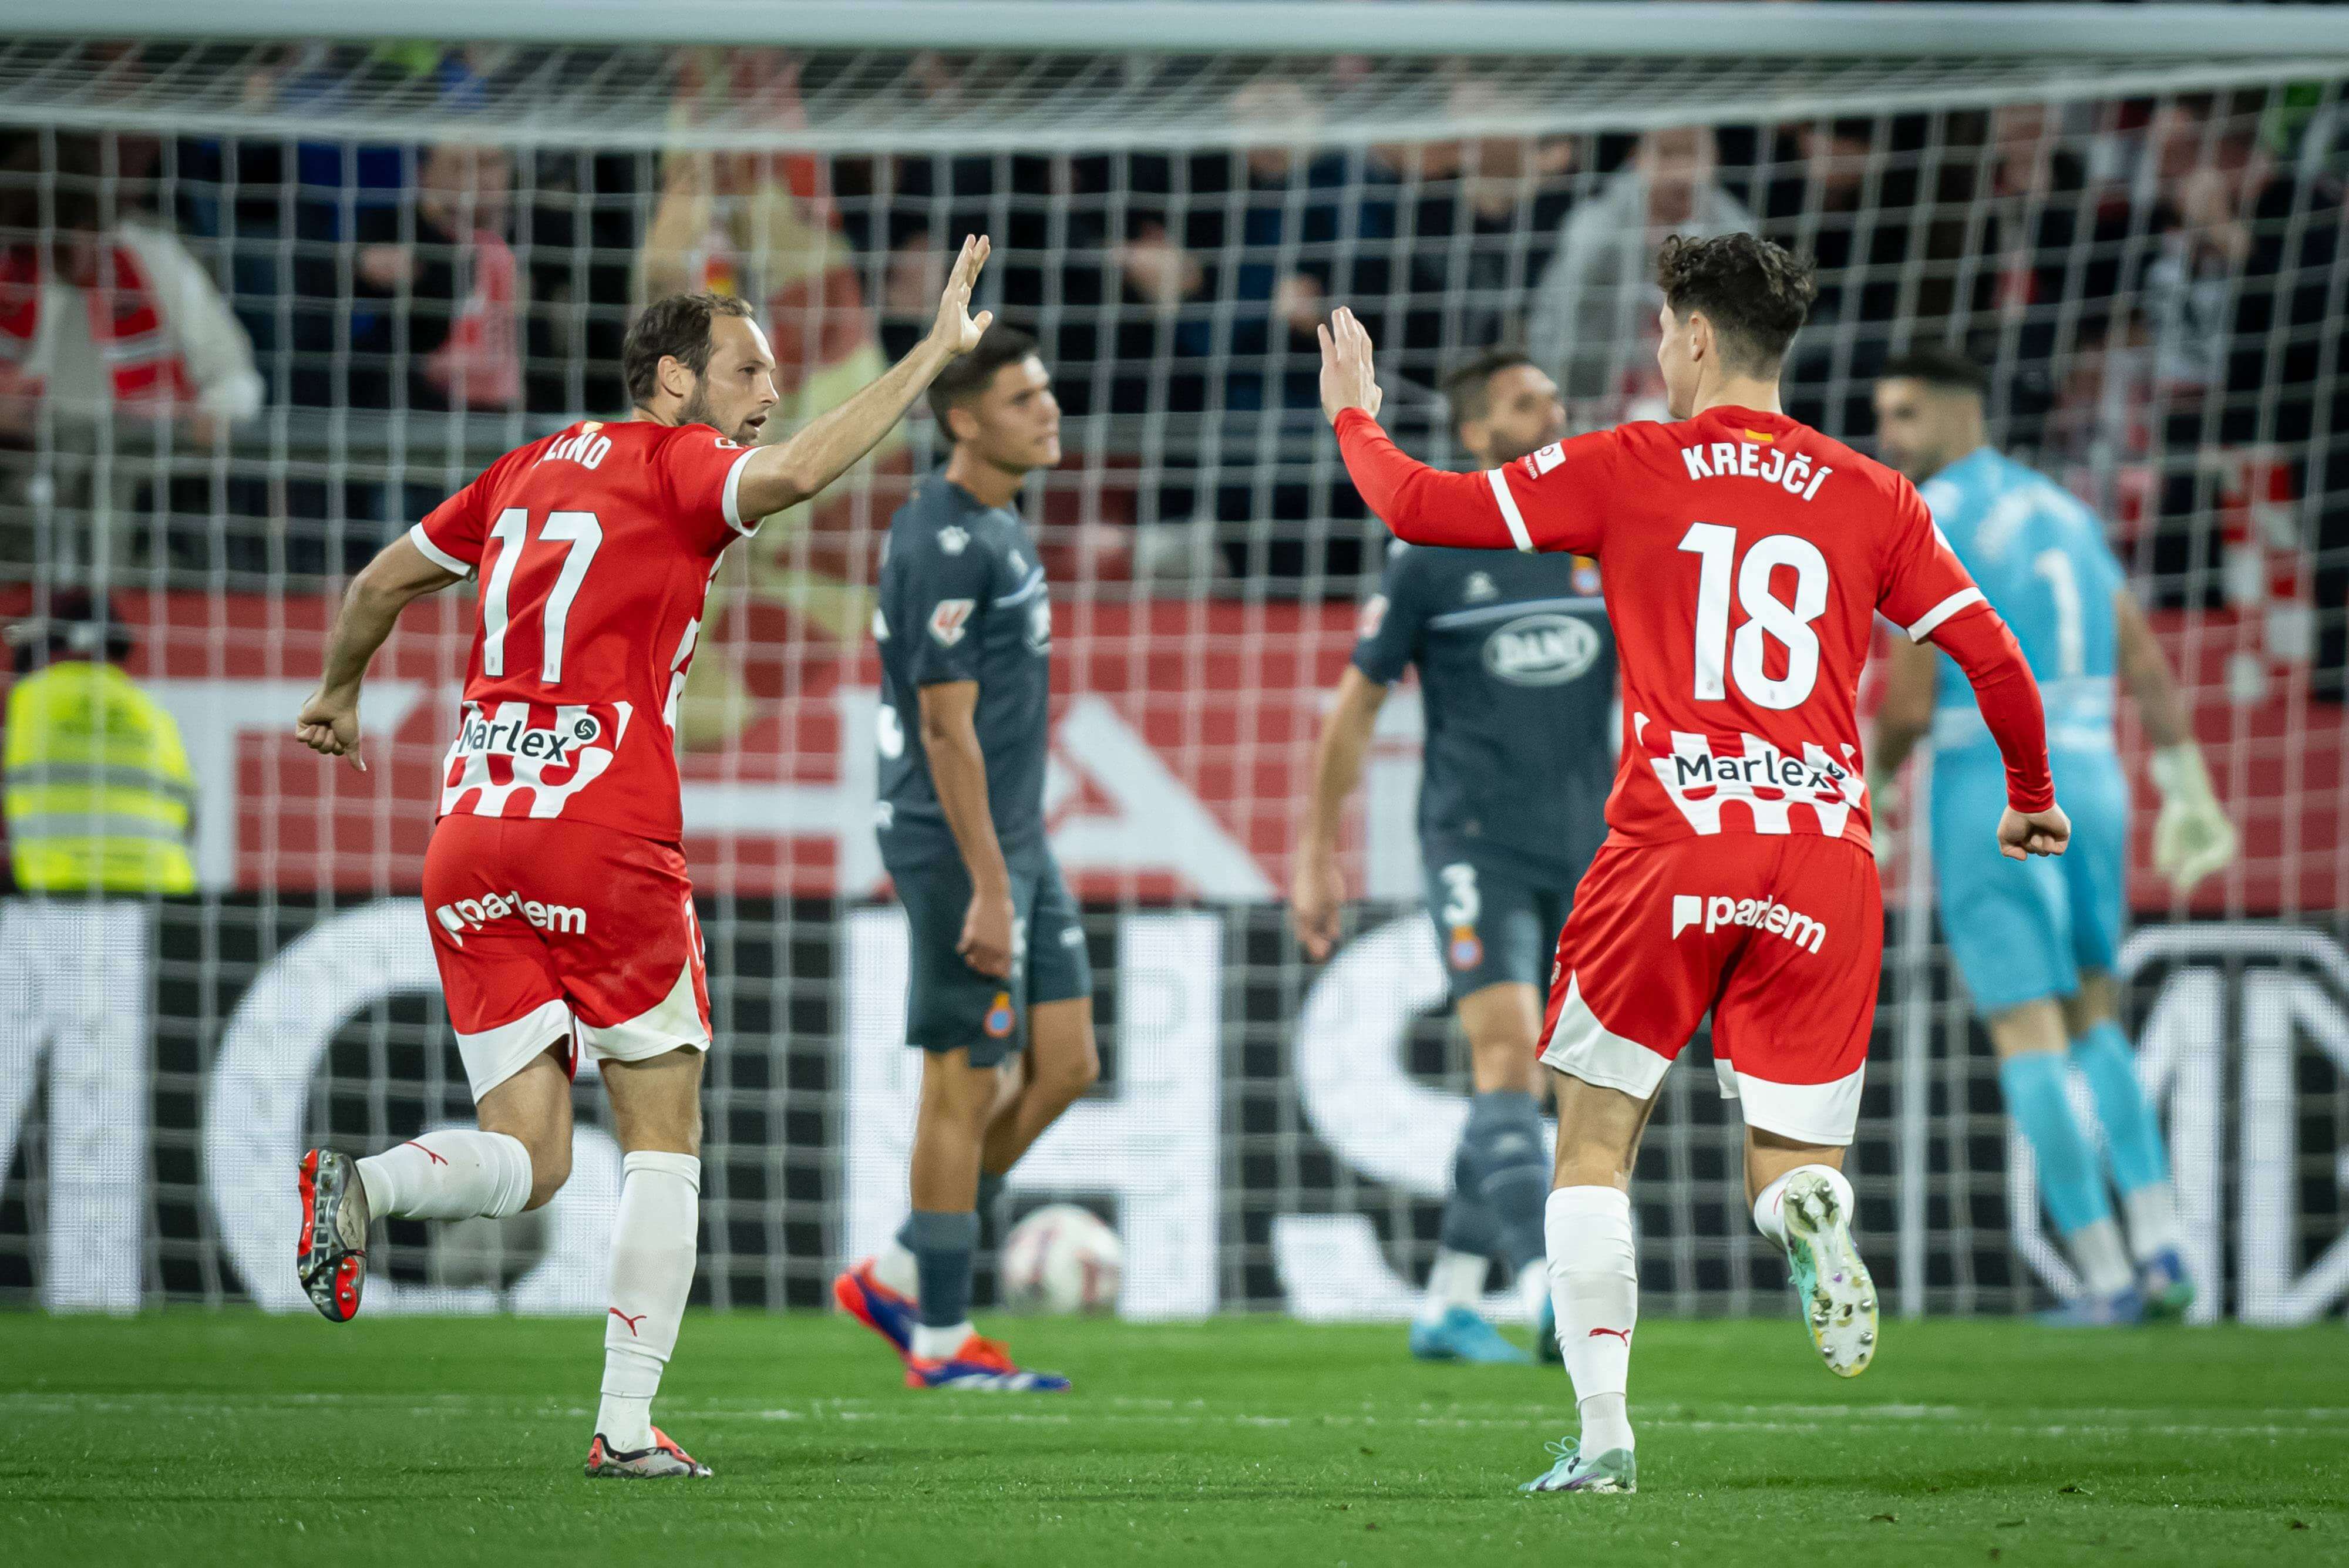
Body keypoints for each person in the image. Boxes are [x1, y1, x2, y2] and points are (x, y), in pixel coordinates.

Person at [1318, 232, 2068, 1496]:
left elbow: (1417, 507)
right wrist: (2028, 798)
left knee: (1593, 1144)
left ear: (1697, 337)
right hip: (1824, 856)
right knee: (1787, 1167)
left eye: (1664, 331)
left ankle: (1604, 1440)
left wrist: (1356, 419)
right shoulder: (1870, 493)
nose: (1657, 352)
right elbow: (1992, 659)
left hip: (1673, 841)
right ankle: (1805, 1222)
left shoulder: (1627, 464)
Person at [288, 235, 998, 1478]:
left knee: (533, 1157)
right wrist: (933, 357)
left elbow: (379, 582)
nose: (768, 394)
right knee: (662, 1141)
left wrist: (339, 694)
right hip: (602, 838)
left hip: (467, 838)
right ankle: (623, 1430)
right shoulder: (677, 467)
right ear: (671, 381)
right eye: (746, 372)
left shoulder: (516, 473)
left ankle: (371, 1190)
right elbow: (804, 474)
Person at [1867, 347, 2234, 1324]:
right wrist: (2184, 779)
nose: (1889, 438)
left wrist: (1872, 780)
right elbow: (2145, 660)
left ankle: (2108, 1275)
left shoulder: (1929, 514)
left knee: (2025, 1029)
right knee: (2094, 1016)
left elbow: (1909, 690)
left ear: (1957, 411)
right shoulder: (2067, 511)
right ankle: (2166, 1249)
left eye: (1904, 417)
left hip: (1988, 774)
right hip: (2096, 772)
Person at [1290, 349, 1612, 1366]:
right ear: (1478, 435)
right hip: (1476, 845)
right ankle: (1545, 1280)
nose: (1552, 409)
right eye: (1527, 401)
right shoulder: (1431, 551)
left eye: (1554, 394)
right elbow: (1353, 712)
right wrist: (1315, 855)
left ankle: (1448, 1300)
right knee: (1511, 1062)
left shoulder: (1598, 540)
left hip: (1594, 850)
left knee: (1573, 1078)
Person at [832, 327, 1095, 1392]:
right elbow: (945, 731)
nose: (1048, 410)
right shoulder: (940, 539)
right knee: (964, 1076)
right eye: (1024, 397)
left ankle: (901, 1264)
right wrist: (989, 883)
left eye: (1047, 391)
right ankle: (939, 1338)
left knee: (1067, 1062)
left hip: (1018, 835)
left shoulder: (1001, 524)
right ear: (964, 418)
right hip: (957, 844)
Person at [3, 590, 195, 896]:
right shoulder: (152, 711)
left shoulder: (26, 702)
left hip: (54, 896)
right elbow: (191, 821)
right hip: (158, 900)